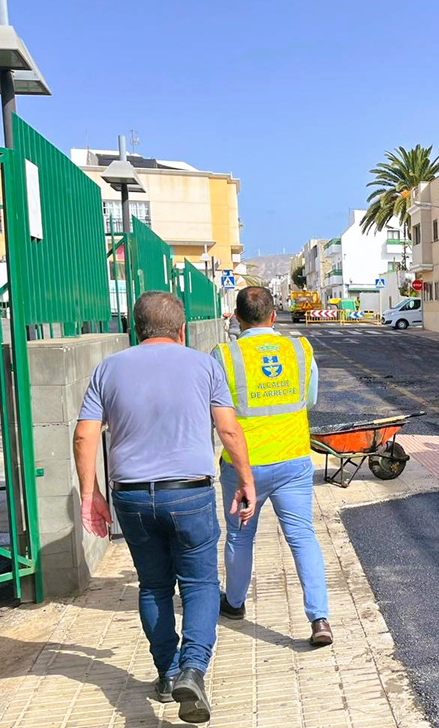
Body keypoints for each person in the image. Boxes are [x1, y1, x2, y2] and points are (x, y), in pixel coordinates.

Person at [75, 291, 256, 724]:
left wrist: (89, 495)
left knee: (154, 586)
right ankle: (192, 669)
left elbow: (85, 436)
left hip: (132, 497)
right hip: (190, 493)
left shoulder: (108, 368)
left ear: (135, 329)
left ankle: (166, 671)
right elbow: (229, 431)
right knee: (198, 583)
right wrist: (246, 480)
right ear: (181, 330)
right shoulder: (203, 365)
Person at [211, 286, 332, 646]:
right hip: (293, 459)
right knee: (302, 537)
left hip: (243, 467)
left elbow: (217, 411)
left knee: (239, 536)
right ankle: (320, 619)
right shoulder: (299, 348)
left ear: (236, 318)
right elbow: (308, 398)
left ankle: (234, 604)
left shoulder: (224, 355)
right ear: (273, 315)